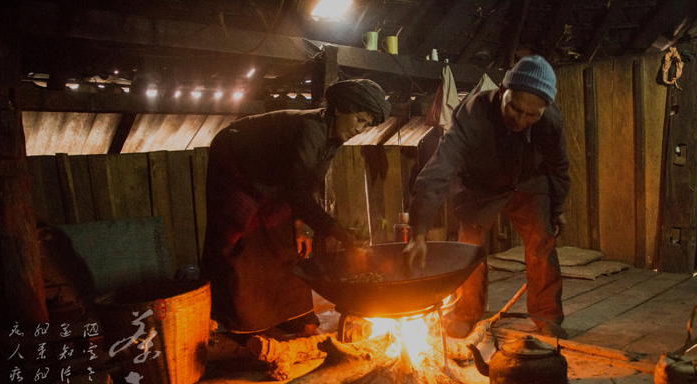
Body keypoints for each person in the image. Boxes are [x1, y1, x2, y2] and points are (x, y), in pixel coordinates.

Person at [200, 78, 391, 336]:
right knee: (238, 240)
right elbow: (297, 192)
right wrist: (336, 231)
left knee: (287, 241)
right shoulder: (310, 130)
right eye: (359, 119)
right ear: (340, 109)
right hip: (235, 162)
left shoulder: (334, 138)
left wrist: (302, 226)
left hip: (273, 176)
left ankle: (292, 316)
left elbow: (307, 181)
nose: (361, 129)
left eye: (367, 125)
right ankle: (242, 323)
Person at [403, 55, 570, 339]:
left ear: (545, 108)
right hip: (480, 183)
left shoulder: (550, 121)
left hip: (528, 180)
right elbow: (439, 169)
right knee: (469, 245)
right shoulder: (472, 114)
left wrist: (558, 206)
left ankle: (546, 315)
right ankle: (466, 313)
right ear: (503, 92)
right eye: (515, 109)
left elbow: (558, 166)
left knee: (541, 241)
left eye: (532, 115)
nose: (521, 120)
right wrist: (418, 232)